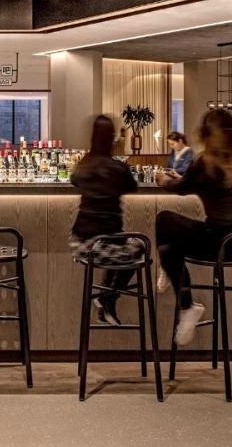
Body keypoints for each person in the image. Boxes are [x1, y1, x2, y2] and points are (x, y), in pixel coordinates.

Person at [154, 109, 232, 346]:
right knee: (171, 248)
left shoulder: (204, 163)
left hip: (218, 240)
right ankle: (170, 271)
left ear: (205, 133)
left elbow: (180, 188)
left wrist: (162, 179)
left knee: (164, 222)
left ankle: (187, 305)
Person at [69, 115, 141, 325]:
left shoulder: (84, 166)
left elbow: (74, 180)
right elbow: (132, 186)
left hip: (81, 243)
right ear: (112, 138)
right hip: (104, 244)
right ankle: (108, 297)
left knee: (120, 244)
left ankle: (105, 296)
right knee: (139, 247)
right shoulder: (118, 168)